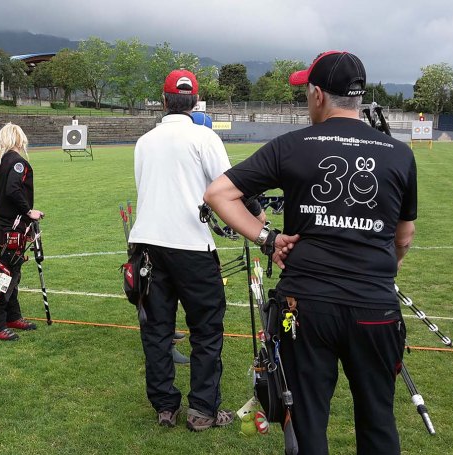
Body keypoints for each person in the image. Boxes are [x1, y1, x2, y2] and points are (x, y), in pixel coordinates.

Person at [204, 51, 416, 454]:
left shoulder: (292, 145)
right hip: (374, 307)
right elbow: (403, 237)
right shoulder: (399, 153)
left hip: (305, 308)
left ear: (318, 95)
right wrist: (386, 268)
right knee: (378, 420)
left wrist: (267, 238)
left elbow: (218, 194)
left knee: (305, 422)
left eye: (306, 92)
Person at [127, 69, 235, 431]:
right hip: (192, 246)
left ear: (163, 100)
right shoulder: (204, 137)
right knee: (206, 329)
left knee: (156, 329)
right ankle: (202, 409)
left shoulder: (145, 141)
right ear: (196, 101)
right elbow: (227, 186)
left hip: (147, 246)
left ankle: (164, 406)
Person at [0, 122, 44, 341]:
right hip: (12, 226)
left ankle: (13, 316)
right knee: (5, 273)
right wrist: (29, 211)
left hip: (4, 224)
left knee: (13, 271)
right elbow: (12, 189)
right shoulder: (18, 162)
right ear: (19, 139)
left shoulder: (0, 163)